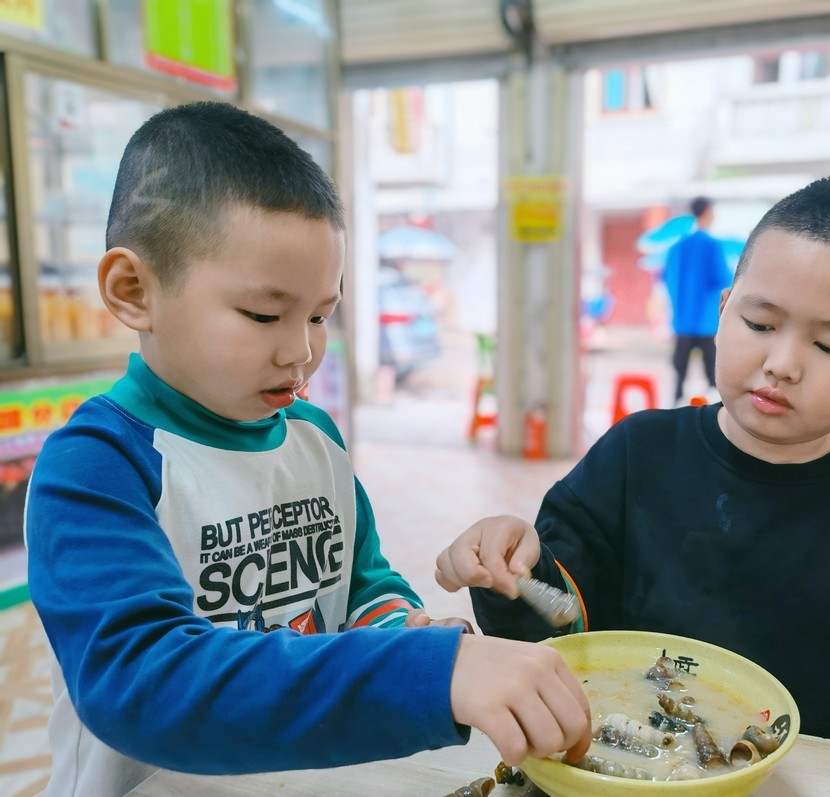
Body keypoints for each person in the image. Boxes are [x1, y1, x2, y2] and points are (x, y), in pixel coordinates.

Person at [24, 102, 590, 797]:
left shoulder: (314, 439)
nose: (301, 351)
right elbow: (144, 682)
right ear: (133, 290)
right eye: (264, 315)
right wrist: (427, 674)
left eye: (321, 313)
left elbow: (362, 590)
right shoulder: (97, 465)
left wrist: (410, 633)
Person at [436, 176, 830, 787]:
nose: (782, 364)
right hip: (641, 780)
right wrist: (512, 571)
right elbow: (561, 635)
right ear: (722, 312)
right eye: (760, 324)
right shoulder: (638, 457)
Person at [662, 196, 731, 405]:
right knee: (713, 378)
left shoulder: (677, 247)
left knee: (679, 377)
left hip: (681, 321)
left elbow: (667, 278)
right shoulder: (713, 245)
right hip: (706, 322)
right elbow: (723, 278)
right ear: (707, 212)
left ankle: (674, 409)